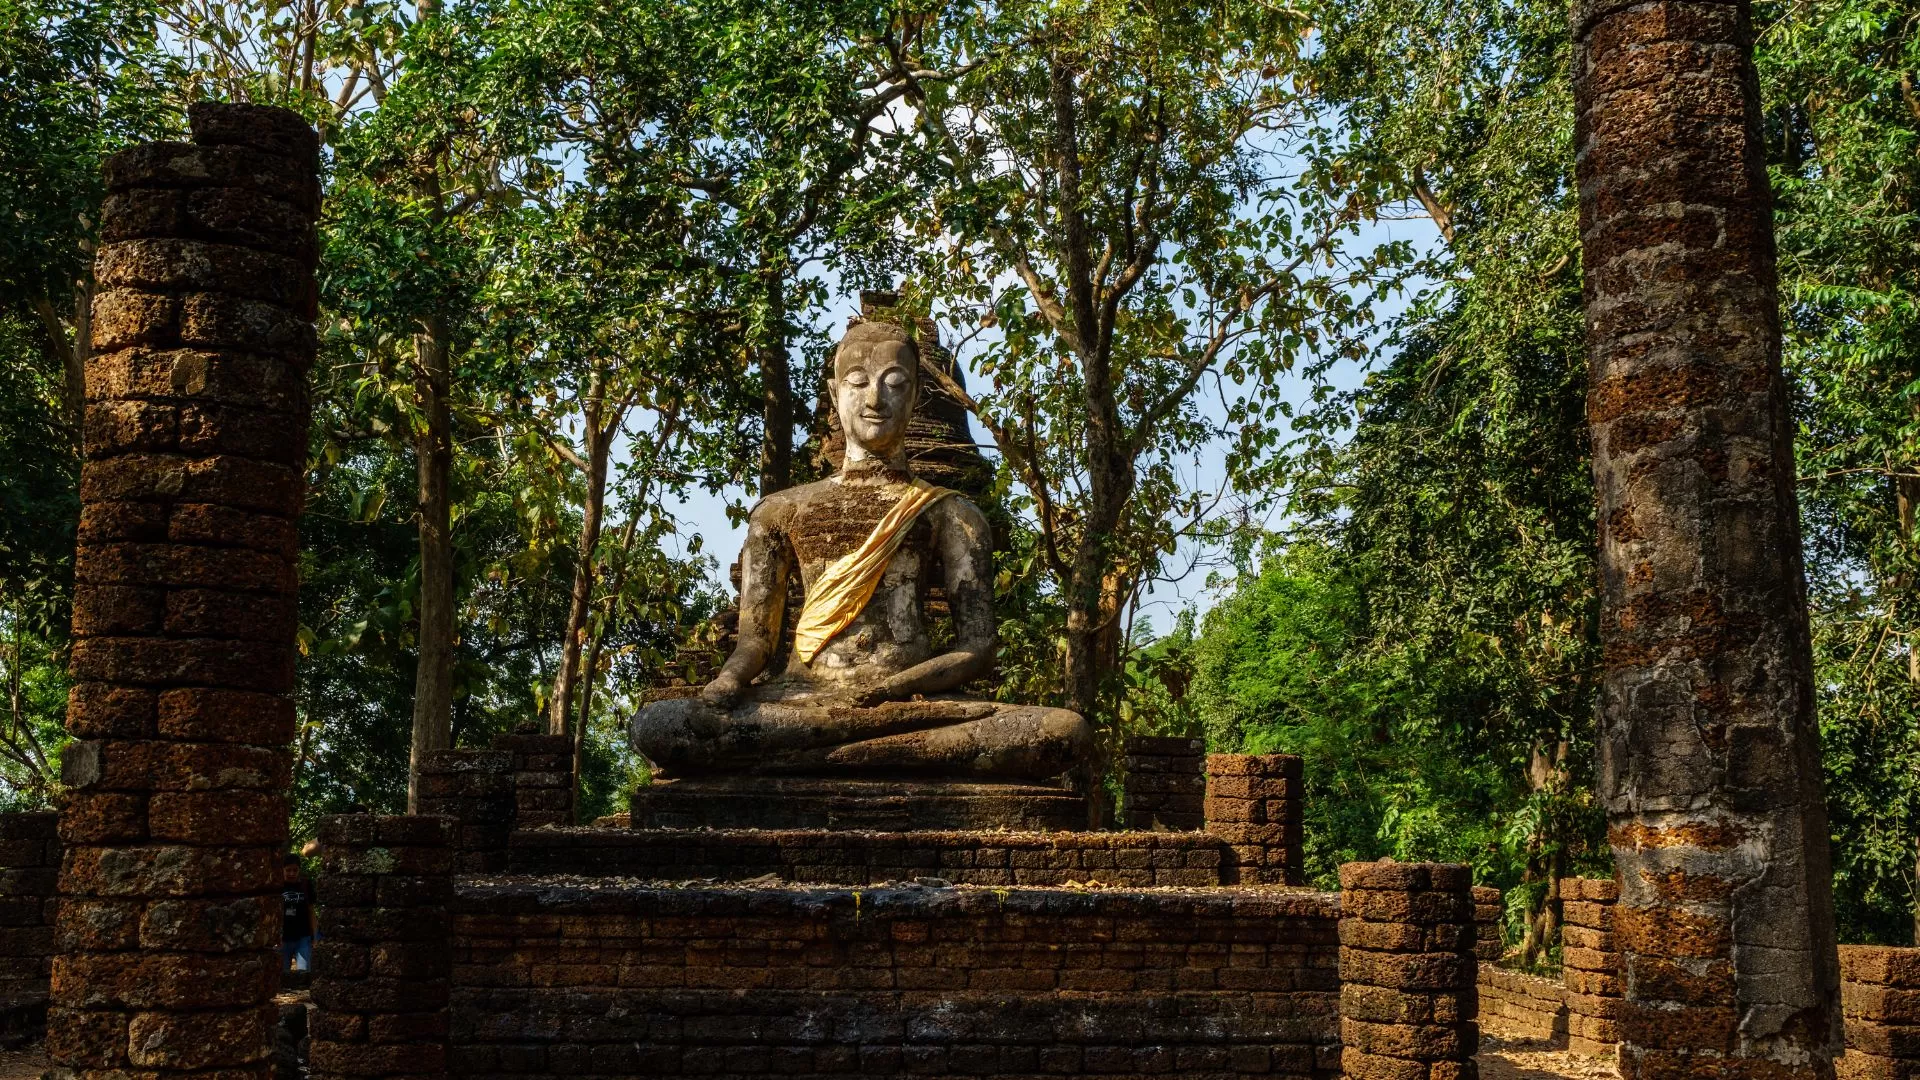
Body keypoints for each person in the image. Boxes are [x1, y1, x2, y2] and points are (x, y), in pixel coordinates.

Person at [280, 853, 316, 973]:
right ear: (283, 870)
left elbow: (311, 911)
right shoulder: (277, 886)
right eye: (288, 870)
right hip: (283, 938)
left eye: (295, 870)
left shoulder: (305, 885)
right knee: (281, 974)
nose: (291, 873)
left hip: (303, 936)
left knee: (304, 973)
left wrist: (315, 936)